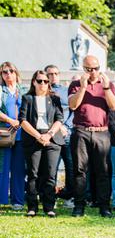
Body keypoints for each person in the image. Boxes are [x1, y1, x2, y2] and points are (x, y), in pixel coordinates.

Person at [68, 55, 115, 217]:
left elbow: (114, 106)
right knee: (79, 170)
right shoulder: (76, 85)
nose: (93, 72)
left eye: (95, 68)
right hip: (81, 131)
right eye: (89, 69)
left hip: (101, 132)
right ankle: (79, 206)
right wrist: (83, 88)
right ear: (84, 69)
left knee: (103, 170)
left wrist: (106, 88)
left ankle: (104, 207)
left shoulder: (107, 84)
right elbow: (73, 105)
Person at [19, 70, 64, 217]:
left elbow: (59, 119)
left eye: (46, 81)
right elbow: (23, 120)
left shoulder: (54, 99)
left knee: (50, 174)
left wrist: (49, 135)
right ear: (34, 82)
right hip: (33, 138)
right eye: (40, 81)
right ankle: (32, 207)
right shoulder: (27, 98)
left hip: (52, 139)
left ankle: (49, 207)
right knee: (33, 174)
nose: (43, 84)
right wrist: (38, 136)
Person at [0, 61, 27, 210]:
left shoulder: (24, 90)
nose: (8, 74)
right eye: (4, 72)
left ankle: (17, 201)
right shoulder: (0, 90)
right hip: (4, 135)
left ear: (16, 73)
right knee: (2, 168)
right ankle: (2, 200)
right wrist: (10, 120)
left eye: (11, 71)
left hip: (21, 136)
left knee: (19, 169)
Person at [46, 65, 74, 207]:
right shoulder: (43, 91)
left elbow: (73, 110)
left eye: (56, 73)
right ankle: (51, 198)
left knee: (71, 166)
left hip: (66, 133)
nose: (53, 76)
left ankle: (69, 197)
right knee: (51, 167)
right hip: (51, 134)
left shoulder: (66, 90)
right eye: (50, 74)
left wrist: (66, 127)